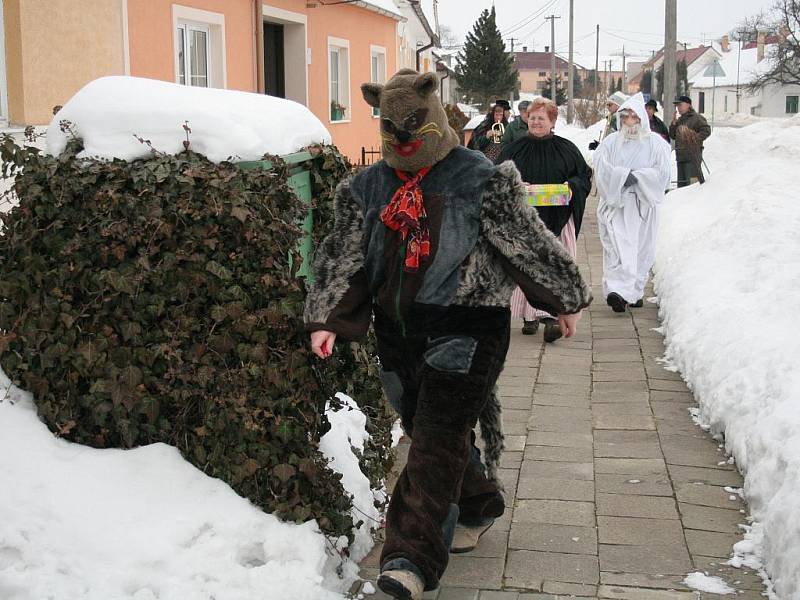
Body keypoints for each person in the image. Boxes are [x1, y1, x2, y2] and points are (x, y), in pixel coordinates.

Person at [305, 69, 591, 600]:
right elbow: (344, 256)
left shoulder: (480, 178)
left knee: (433, 442)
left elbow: (526, 243)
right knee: (425, 423)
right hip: (399, 331)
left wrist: (562, 298)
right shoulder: (366, 188)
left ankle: (408, 561)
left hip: (469, 326)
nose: (404, 139)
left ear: (434, 115)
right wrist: (329, 318)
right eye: (392, 128)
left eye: (412, 125)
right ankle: (479, 501)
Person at [496, 98, 592, 341]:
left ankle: (551, 317)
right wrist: (515, 186)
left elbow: (583, 177)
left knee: (555, 265)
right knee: (525, 264)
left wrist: (570, 187)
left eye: (542, 118)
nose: (537, 122)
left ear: (552, 121)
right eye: (533, 117)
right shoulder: (513, 150)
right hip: (523, 223)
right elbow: (496, 177)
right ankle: (529, 316)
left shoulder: (567, 149)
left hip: (558, 220)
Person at [594, 93, 671, 313]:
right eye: (625, 116)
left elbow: (663, 172)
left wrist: (638, 177)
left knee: (640, 249)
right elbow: (601, 167)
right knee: (618, 248)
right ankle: (617, 291)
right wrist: (620, 177)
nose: (629, 121)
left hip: (643, 204)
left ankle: (633, 291)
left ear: (641, 119)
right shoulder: (610, 143)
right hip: (617, 204)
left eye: (633, 117)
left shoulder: (656, 144)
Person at [669, 95, 711, 187]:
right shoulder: (680, 120)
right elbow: (673, 136)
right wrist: (673, 124)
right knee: (682, 186)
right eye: (677, 106)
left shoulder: (697, 118)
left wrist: (694, 138)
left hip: (692, 158)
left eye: (680, 105)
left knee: (692, 186)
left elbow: (707, 130)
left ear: (688, 105)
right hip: (681, 157)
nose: (678, 108)